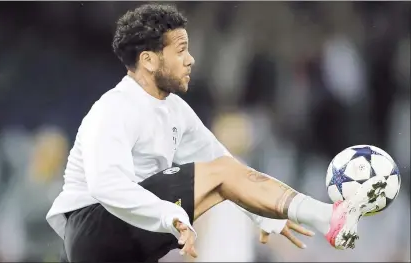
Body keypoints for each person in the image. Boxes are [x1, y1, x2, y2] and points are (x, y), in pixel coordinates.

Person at [46, 4, 387, 262]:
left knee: (227, 171)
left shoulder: (176, 112)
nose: (191, 59)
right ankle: (326, 215)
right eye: (179, 51)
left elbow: (232, 172)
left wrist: (265, 215)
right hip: (89, 227)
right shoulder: (114, 109)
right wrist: (172, 215)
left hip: (126, 237)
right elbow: (107, 187)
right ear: (149, 60)